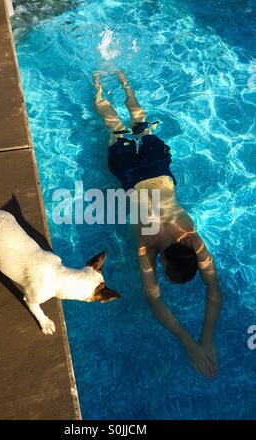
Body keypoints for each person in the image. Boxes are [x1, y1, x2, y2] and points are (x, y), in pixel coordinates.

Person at [93, 71, 223, 378]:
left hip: (158, 169)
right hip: (130, 176)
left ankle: (124, 80)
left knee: (141, 125)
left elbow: (214, 288)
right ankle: (97, 88)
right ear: (163, 264)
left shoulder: (192, 239)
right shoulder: (145, 247)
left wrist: (205, 338)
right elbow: (154, 300)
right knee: (116, 128)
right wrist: (192, 342)